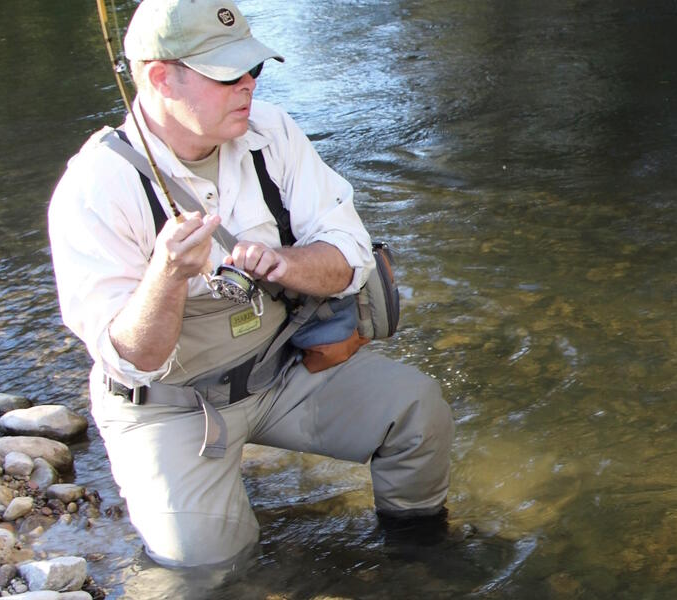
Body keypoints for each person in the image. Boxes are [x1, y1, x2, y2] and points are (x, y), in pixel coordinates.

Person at [47, 0, 453, 567]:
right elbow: (130, 359)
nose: (247, 87)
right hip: (169, 406)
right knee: (211, 568)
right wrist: (166, 276)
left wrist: (285, 263)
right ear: (161, 77)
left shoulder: (272, 134)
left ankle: (418, 559)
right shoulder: (96, 186)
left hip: (281, 372)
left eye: (253, 69)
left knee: (415, 408)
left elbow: (352, 255)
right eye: (226, 75)